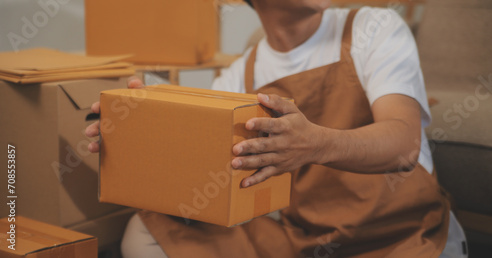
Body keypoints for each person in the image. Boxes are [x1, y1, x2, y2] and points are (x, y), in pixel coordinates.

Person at [86, 0, 467, 257]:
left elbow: (403, 146)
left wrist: (316, 144)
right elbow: (194, 168)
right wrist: (135, 138)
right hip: (306, 240)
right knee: (143, 230)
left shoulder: (372, 26)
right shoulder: (241, 73)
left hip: (403, 236)